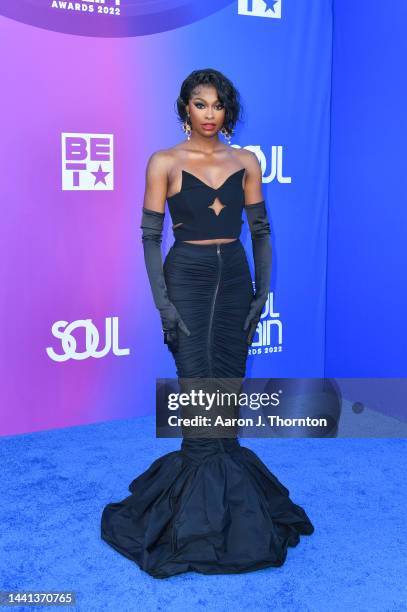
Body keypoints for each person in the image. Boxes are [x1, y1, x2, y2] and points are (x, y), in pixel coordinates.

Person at [101, 68, 314, 579]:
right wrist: (164, 305)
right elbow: (150, 238)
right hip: (187, 283)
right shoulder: (165, 162)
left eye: (218, 105)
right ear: (185, 109)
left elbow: (260, 232)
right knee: (201, 399)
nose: (210, 114)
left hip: (236, 280)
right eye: (201, 104)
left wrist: (262, 293)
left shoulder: (245, 162)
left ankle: (231, 509)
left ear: (227, 111)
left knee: (227, 396)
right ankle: (194, 524)